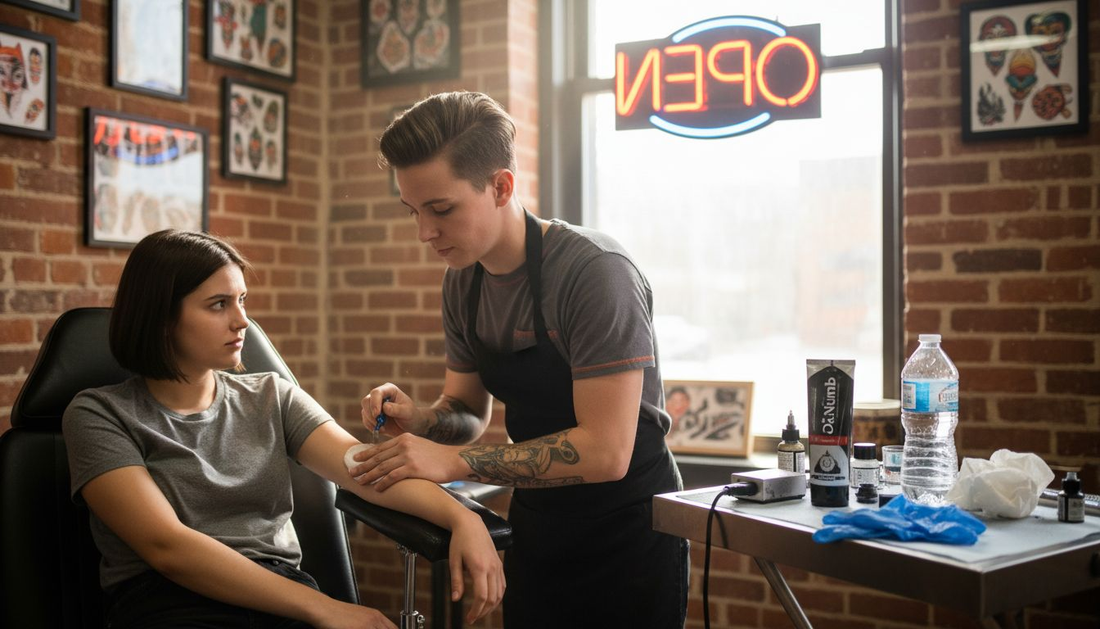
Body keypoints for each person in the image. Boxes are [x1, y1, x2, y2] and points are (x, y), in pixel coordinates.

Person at [348, 91, 688, 628]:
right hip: (539, 525)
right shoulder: (463, 282)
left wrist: (455, 463)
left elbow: (606, 450)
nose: (424, 233)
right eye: (414, 211)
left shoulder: (595, 274)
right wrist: (424, 421)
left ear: (501, 186)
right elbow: (465, 408)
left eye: (441, 209)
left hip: (628, 531)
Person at [63, 230, 504, 629]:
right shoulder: (100, 414)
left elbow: (364, 469)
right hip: (171, 603)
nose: (242, 322)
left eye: (243, 300)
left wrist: (462, 517)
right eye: (219, 304)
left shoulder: (271, 395)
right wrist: (327, 608)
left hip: (281, 595)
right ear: (161, 317)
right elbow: (167, 547)